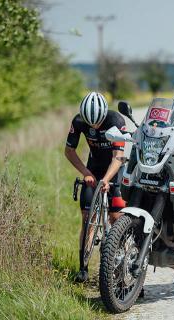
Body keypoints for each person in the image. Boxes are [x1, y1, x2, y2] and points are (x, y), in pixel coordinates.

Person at [65, 91, 126, 283]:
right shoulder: (78, 121)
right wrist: (86, 173)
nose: (94, 127)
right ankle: (83, 267)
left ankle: (121, 268)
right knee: (86, 217)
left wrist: (107, 180)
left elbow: (118, 157)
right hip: (93, 168)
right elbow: (69, 151)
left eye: (98, 123)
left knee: (117, 218)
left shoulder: (116, 120)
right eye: (90, 124)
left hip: (114, 169)